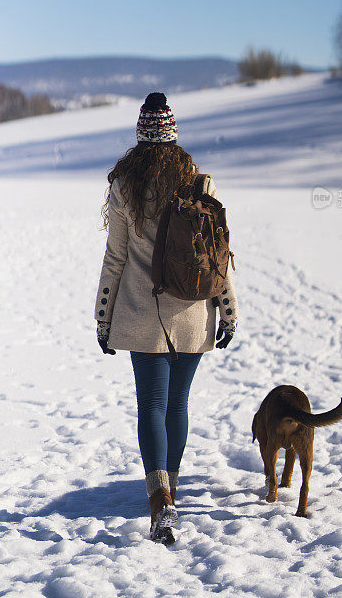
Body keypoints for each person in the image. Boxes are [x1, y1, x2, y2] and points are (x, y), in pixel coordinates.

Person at [94, 92, 238, 545]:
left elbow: (115, 257)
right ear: (173, 134)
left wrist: (103, 316)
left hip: (141, 312)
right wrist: (228, 311)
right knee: (178, 405)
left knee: (152, 406)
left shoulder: (125, 187)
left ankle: (161, 505)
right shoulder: (199, 183)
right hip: (193, 313)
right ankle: (171, 490)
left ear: (141, 135)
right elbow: (218, 257)